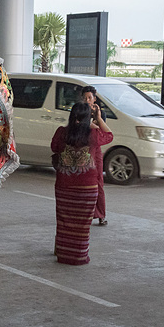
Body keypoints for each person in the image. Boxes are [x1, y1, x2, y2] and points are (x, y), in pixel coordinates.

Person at [51, 102, 113, 265]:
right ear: (88, 118)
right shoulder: (93, 134)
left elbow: (54, 147)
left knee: (64, 222)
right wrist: (99, 119)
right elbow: (110, 135)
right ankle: (78, 256)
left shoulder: (62, 132)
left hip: (64, 186)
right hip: (87, 188)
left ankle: (63, 255)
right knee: (82, 225)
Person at [80, 85, 108, 226]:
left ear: (94, 99)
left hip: (95, 150)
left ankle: (101, 214)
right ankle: (84, 213)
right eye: (85, 98)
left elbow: (101, 131)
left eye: (89, 98)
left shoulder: (99, 114)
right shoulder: (78, 111)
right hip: (81, 149)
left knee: (98, 182)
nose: (87, 100)